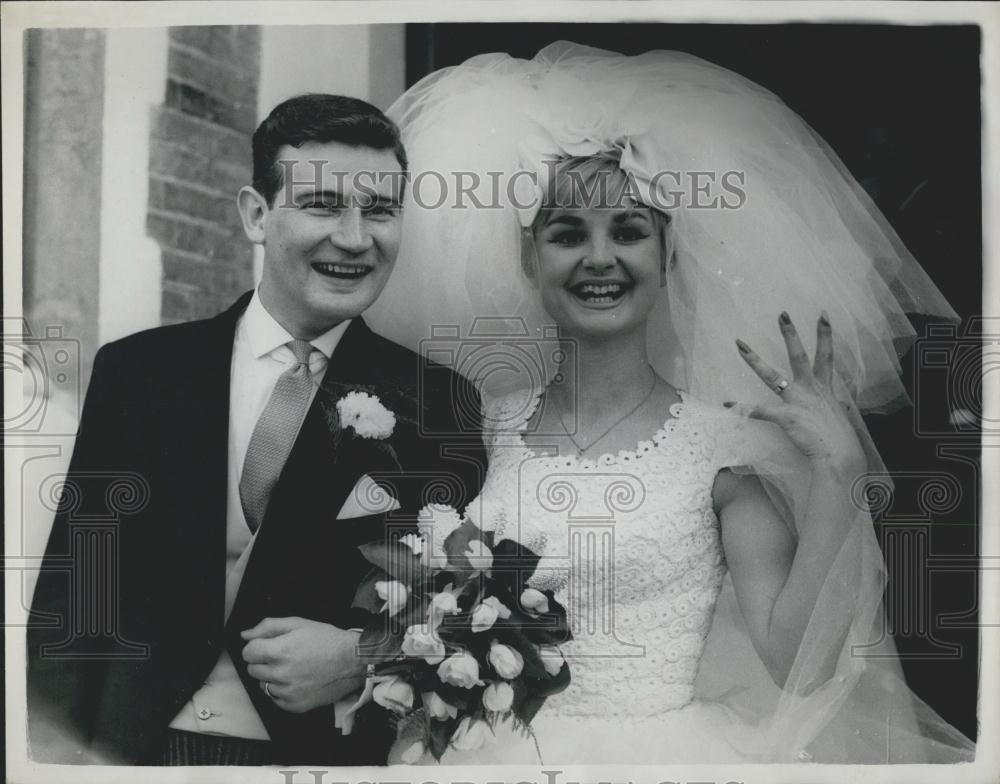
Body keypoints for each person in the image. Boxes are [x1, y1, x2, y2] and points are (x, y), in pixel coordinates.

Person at [363, 42, 978, 763]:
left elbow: (794, 663)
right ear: (531, 260)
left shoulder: (723, 449)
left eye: (628, 231)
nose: (600, 259)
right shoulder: (479, 424)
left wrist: (841, 470)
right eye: (567, 234)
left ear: (669, 258)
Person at [26, 94, 486, 766]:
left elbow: (466, 605)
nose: (356, 238)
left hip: (326, 755)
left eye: (380, 210)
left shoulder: (438, 403)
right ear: (256, 215)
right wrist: (55, 758)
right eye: (324, 204)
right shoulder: (139, 373)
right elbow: (78, 596)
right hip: (137, 749)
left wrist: (363, 657)